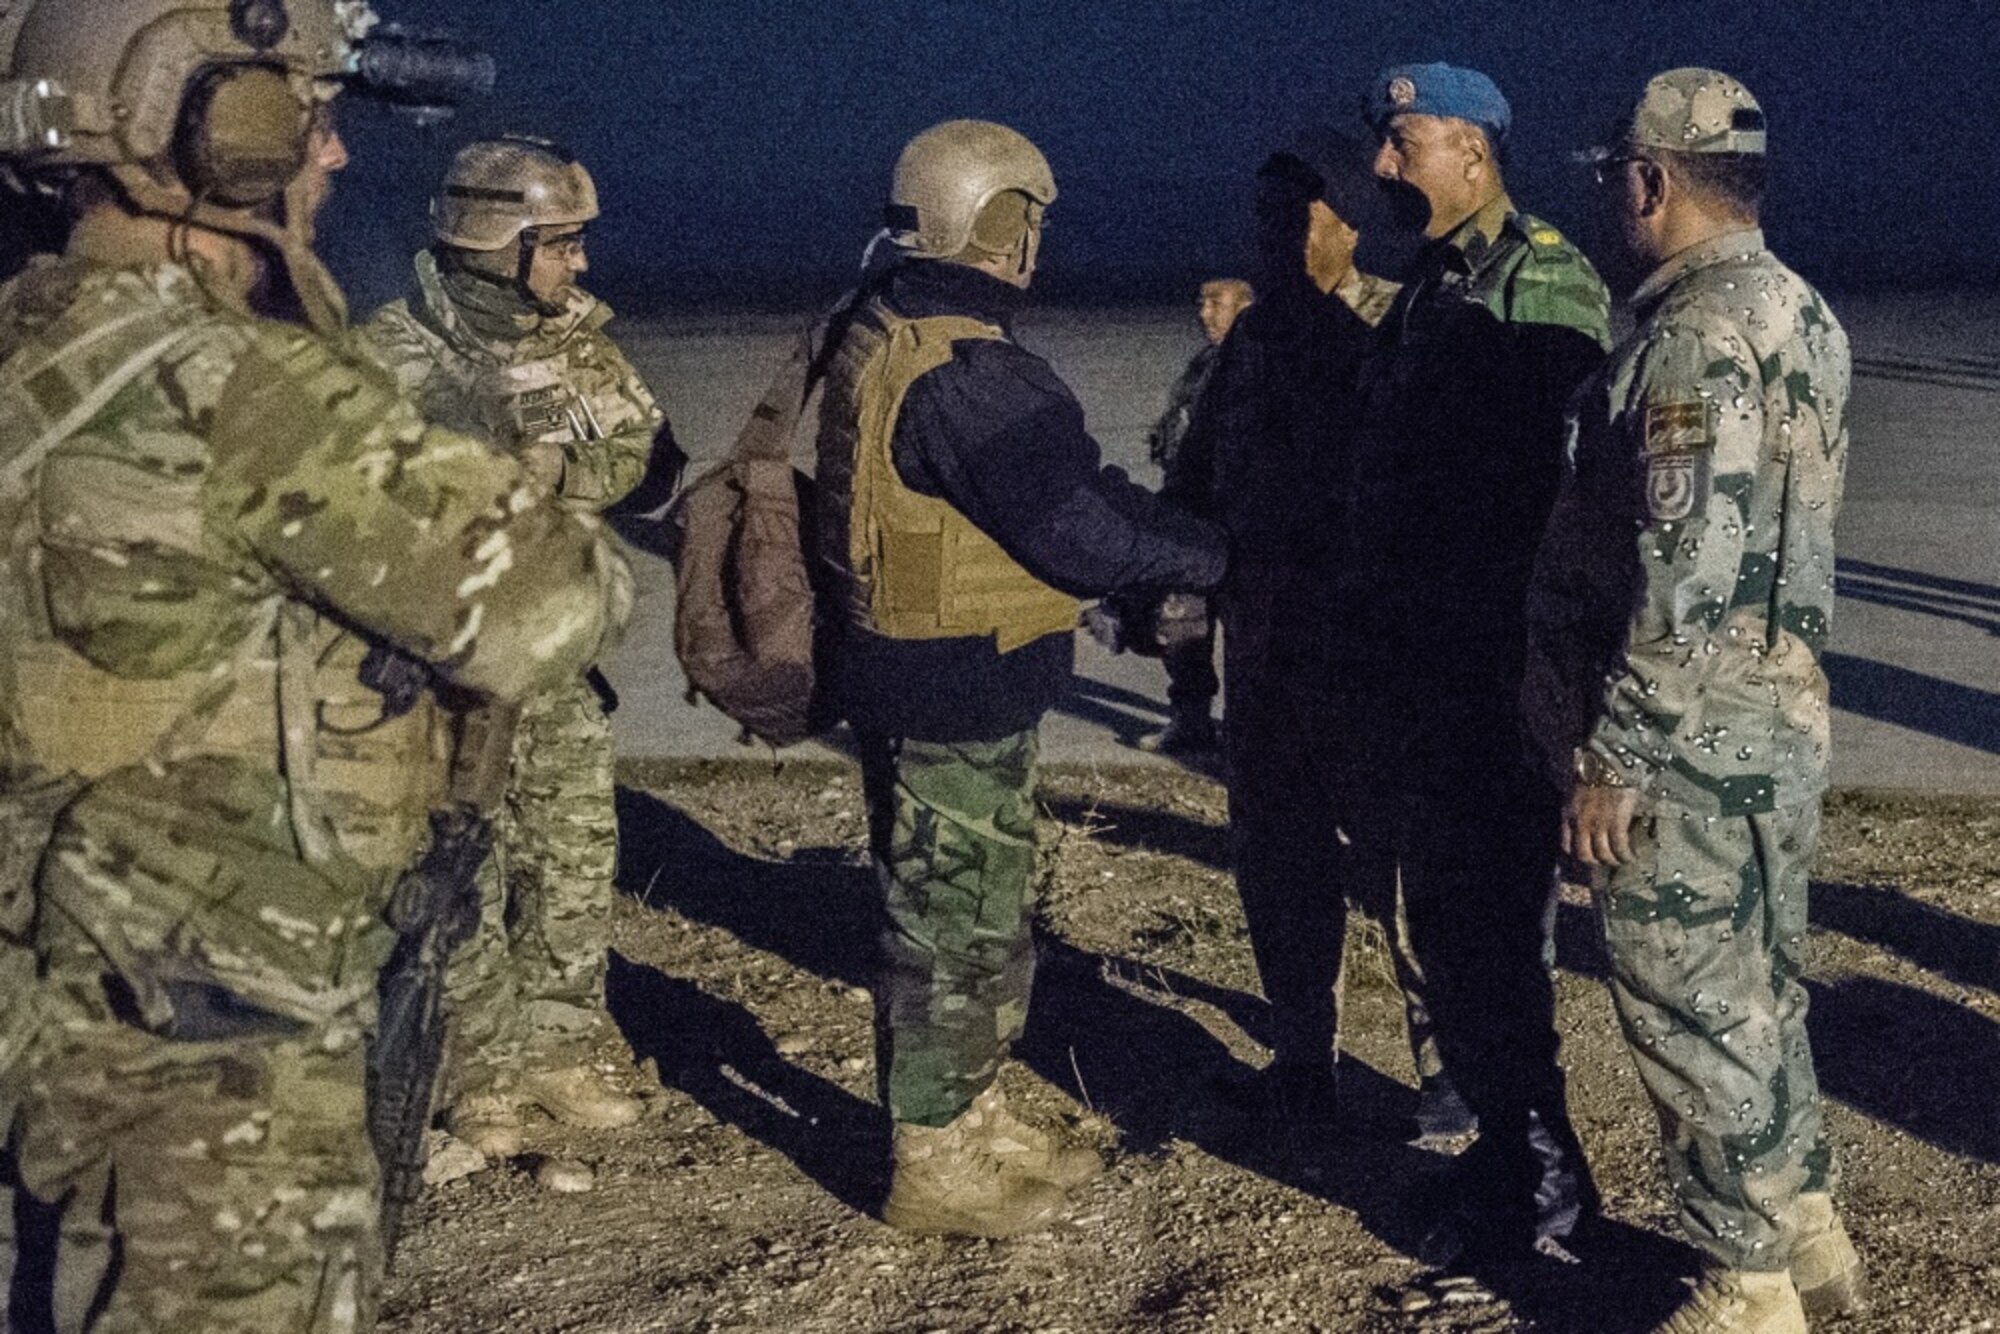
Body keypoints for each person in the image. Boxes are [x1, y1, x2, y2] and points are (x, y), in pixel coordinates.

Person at [0, 2, 632, 1327]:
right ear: (215, 127)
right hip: (219, 1040)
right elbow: (552, 603)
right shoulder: (240, 385)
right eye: (306, 116)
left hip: (55, 1002)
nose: (329, 157)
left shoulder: (32, 353)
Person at [811, 118, 1227, 1238]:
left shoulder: (884, 322)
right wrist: (1212, 555)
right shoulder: (969, 368)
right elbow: (1080, 525)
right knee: (953, 925)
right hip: (952, 685)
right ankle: (933, 1160)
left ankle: (970, 1111)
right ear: (1002, 222)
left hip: (918, 673)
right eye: (1026, 219)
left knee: (973, 914)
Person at [1524, 69, 1859, 1333]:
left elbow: (1684, 564)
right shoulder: (1800, 311)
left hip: (1686, 739)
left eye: (1618, 174)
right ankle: (1807, 1226)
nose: (1615, 193)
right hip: (1770, 721)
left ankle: (1747, 1284)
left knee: (1687, 1006)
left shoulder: (1692, 334)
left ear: (1651, 180)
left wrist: (1612, 752)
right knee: (1762, 988)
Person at [1345, 62, 1611, 1266]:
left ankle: (1546, 1193)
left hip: (1495, 671)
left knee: (1494, 939)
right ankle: (1510, 1160)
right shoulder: (1436, 285)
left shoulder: (1537, 282)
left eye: (1402, 142)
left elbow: (1556, 498)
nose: (1382, 166)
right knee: (1452, 930)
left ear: (1472, 147)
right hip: (1431, 666)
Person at [360, 137, 666, 1173]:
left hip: (558, 653)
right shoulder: (391, 354)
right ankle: (477, 1069)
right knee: (462, 868)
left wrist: (555, 467)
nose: (577, 266)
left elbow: (641, 453)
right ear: (498, 244)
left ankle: (563, 1042)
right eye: (560, 245)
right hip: (442, 667)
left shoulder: (580, 341)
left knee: (574, 848)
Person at [1160, 131, 1472, 1142]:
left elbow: (1450, 510)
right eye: (1260, 219)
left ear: (1348, 224)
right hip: (1265, 669)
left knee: (1406, 881)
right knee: (1279, 871)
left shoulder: (1404, 331)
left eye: (1297, 218)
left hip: (1373, 672)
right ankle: (1303, 1065)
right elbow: (1195, 487)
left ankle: (1450, 1089)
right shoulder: (1249, 346)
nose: (1273, 239)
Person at [1132, 277, 1252, 756]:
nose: (1204, 313)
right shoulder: (1202, 364)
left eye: (1216, 304)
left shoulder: (1258, 365)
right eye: (1201, 302)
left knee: (1246, 640)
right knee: (1182, 627)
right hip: (1192, 521)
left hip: (1239, 526)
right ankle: (1190, 722)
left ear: (1246, 309)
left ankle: (1246, 735)